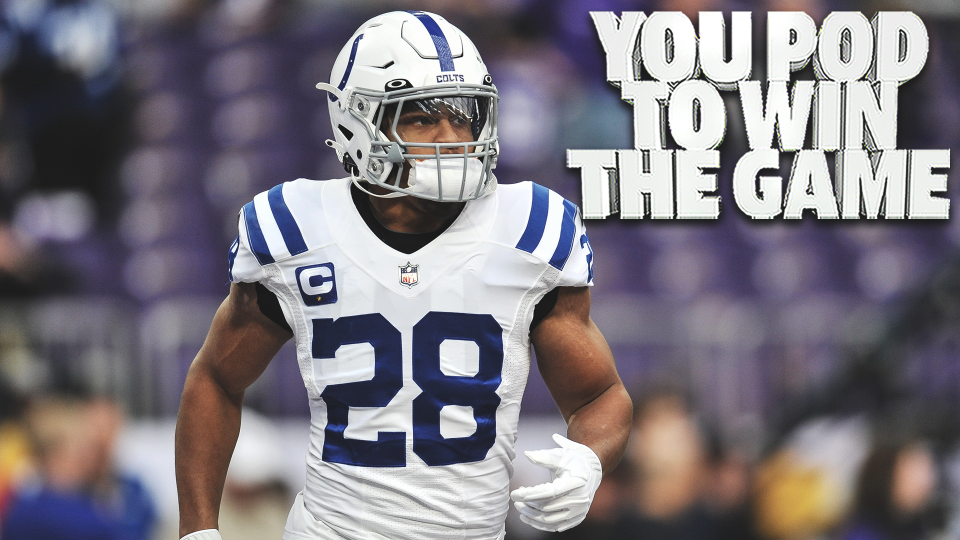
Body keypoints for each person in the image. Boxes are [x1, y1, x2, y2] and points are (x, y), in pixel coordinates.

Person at [175, 10, 632, 540]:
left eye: (464, 115)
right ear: (356, 123)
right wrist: (198, 529)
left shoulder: (528, 230)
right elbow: (215, 378)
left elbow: (600, 396)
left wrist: (588, 463)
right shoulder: (296, 229)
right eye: (420, 117)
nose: (453, 136)